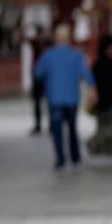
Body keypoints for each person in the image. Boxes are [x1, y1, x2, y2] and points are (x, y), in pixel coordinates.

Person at [34, 24, 95, 171]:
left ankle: (60, 159)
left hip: (54, 98)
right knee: (73, 128)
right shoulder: (76, 55)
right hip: (72, 98)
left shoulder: (47, 55)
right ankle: (75, 156)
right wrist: (93, 89)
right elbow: (86, 75)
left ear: (55, 38)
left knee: (57, 130)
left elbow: (37, 74)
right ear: (69, 39)